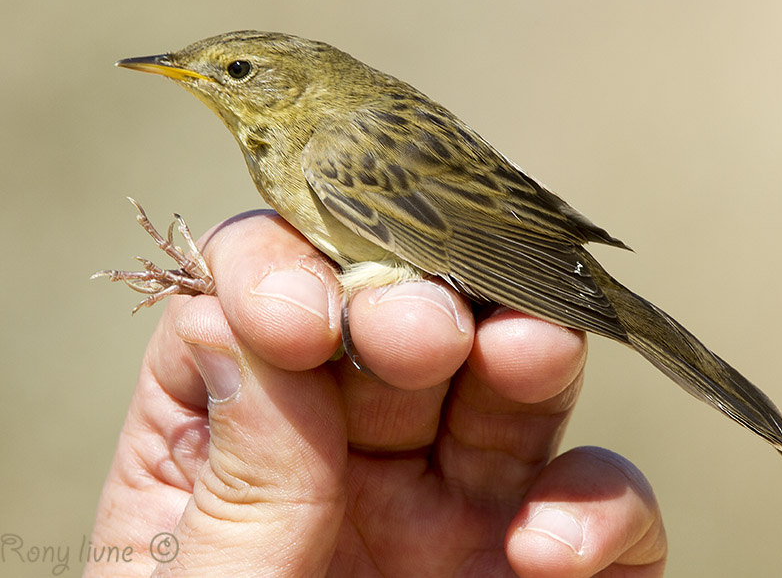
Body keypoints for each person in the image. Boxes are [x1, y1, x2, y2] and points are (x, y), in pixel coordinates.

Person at [87, 210, 667, 576]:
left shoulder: (329, 150)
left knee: (349, 321)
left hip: (486, 254)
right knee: (316, 315)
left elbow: (455, 234)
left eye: (238, 70)